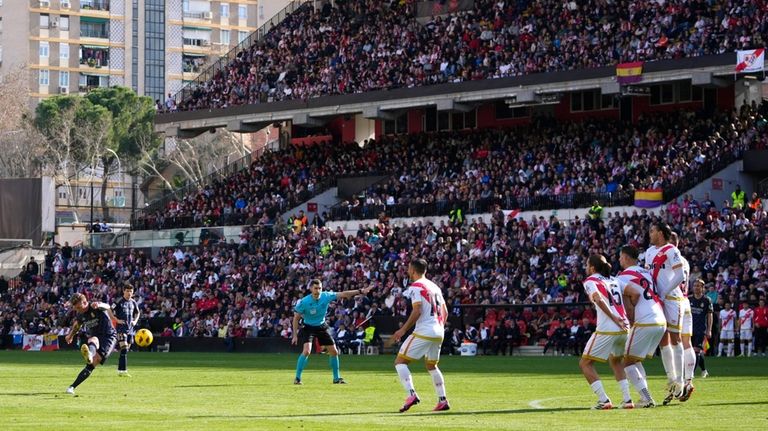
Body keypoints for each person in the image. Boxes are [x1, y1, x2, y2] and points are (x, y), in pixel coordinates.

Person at [390, 258, 450, 413]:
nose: (408, 271)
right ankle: (442, 400)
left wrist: (402, 330)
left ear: (413, 270)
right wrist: (439, 327)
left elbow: (417, 310)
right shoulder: (435, 286)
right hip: (439, 330)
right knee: (431, 365)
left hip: (425, 330)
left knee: (400, 362)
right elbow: (445, 312)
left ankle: (411, 394)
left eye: (409, 268)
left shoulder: (416, 287)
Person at [291, 279, 373, 385]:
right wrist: (295, 335)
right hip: (308, 327)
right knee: (307, 351)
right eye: (315, 288)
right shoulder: (304, 302)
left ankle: (336, 378)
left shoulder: (326, 296)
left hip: (321, 326)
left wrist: (361, 291)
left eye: (320, 288)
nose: (318, 291)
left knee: (334, 351)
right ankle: (297, 378)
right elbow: (296, 318)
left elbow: (344, 294)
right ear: (311, 289)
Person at [617, 246, 666, 408]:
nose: (619, 260)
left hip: (644, 321)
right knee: (635, 360)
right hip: (660, 319)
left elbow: (631, 300)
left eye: (620, 257)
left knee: (627, 361)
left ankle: (647, 398)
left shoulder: (623, 277)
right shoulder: (647, 273)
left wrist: (629, 321)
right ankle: (645, 397)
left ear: (626, 257)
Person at [579, 254, 630, 410]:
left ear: (593, 268)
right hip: (625, 327)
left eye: (587, 265)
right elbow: (633, 294)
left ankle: (604, 400)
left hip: (609, 327)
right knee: (616, 361)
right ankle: (627, 400)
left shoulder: (590, 281)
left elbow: (598, 299)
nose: (586, 267)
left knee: (585, 363)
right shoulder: (615, 280)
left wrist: (614, 317)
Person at [644, 222, 686, 404]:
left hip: (672, 299)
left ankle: (681, 382)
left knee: (676, 338)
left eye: (652, 231)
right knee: (663, 340)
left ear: (660, 233)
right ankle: (671, 379)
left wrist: (664, 292)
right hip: (657, 300)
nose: (649, 233)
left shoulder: (671, 250)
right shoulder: (649, 252)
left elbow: (680, 276)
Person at [64, 293, 122, 395]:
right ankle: (71, 387)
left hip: (108, 337)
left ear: (85, 302)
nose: (77, 310)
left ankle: (90, 354)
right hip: (95, 338)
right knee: (92, 344)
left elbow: (108, 307)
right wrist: (71, 335)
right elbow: (77, 325)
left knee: (95, 360)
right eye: (75, 308)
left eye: (78, 307)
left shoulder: (94, 306)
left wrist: (100, 305)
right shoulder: (80, 314)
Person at [670, 232, 696, 401]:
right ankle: (689, 380)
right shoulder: (685, 261)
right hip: (686, 301)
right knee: (687, 343)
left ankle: (678, 383)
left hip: (676, 301)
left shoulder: (671, 258)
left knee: (674, 343)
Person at [114, 283, 140, 376]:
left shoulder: (133, 302)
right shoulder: (119, 301)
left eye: (131, 291)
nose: (129, 293)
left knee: (125, 350)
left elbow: (138, 313)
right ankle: (123, 370)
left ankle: (120, 369)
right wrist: (116, 320)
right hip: (121, 328)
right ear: (123, 291)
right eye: (127, 291)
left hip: (130, 329)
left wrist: (135, 321)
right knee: (124, 348)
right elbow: (109, 310)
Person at [689, 279, 713, 378]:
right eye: (695, 285)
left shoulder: (707, 300)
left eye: (698, 286)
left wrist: (709, 329)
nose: (696, 287)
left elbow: (710, 315)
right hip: (689, 328)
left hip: (700, 329)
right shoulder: (689, 299)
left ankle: (691, 373)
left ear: (703, 288)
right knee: (692, 351)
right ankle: (704, 370)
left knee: (696, 350)